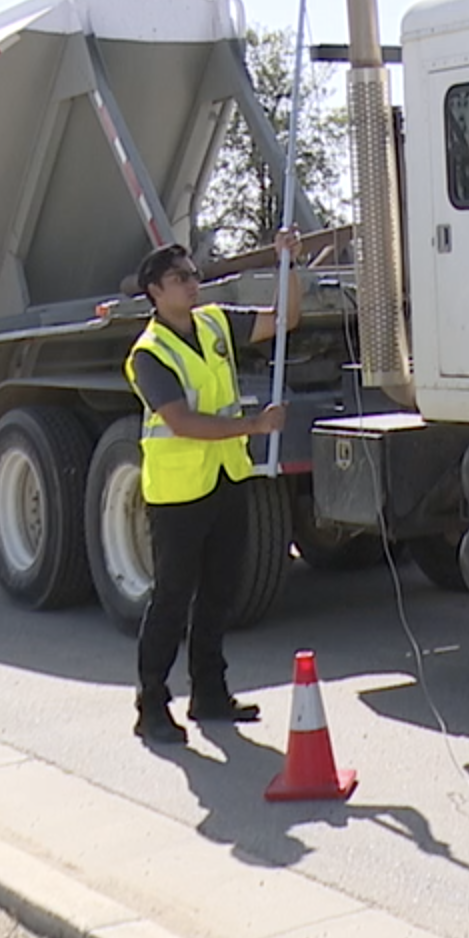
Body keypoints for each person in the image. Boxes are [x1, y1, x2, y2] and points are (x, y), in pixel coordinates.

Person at [125, 230, 303, 745]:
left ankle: (209, 692)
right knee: (173, 598)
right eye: (181, 278)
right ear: (155, 290)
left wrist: (286, 263)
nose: (193, 284)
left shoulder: (216, 322)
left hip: (226, 478)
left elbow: (285, 320)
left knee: (221, 591)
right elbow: (180, 420)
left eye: (194, 275)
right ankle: (152, 704)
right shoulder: (148, 353)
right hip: (179, 491)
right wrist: (254, 427)